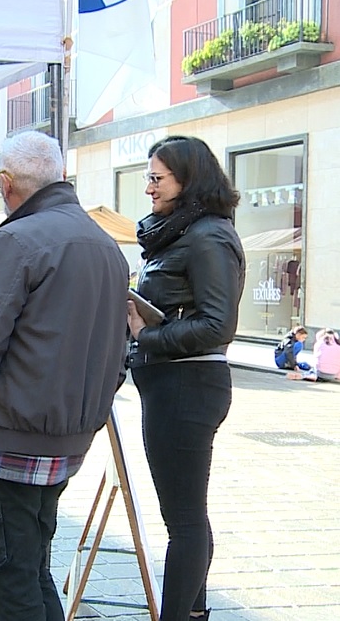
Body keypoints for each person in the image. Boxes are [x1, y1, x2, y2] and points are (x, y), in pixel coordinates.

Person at [0, 130, 128, 620]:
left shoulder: (19, 238)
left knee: (8, 572)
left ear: (6, 182)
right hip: (66, 437)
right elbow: (118, 347)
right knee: (28, 568)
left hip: (10, 437)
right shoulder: (105, 245)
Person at [126, 135, 245, 621]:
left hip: (187, 385)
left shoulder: (210, 235)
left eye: (157, 177)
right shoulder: (180, 232)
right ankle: (193, 612)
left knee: (184, 520)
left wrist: (145, 336)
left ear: (187, 180)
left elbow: (219, 326)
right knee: (188, 514)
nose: (148, 187)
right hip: (172, 385)